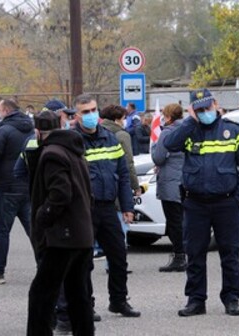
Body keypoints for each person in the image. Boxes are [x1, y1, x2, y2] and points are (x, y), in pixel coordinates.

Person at [163, 88, 239, 317]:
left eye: (207, 107)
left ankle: (232, 298)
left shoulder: (233, 130)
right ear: (192, 110)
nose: (205, 112)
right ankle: (195, 300)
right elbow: (169, 144)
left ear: (215, 104)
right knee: (194, 254)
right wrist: (189, 122)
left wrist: (238, 198)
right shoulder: (188, 131)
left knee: (230, 253)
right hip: (195, 204)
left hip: (226, 203)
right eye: (199, 109)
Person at [27, 111, 94, 336]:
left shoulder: (52, 154)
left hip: (62, 238)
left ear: (39, 132)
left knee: (41, 294)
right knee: (78, 294)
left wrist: (42, 216)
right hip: (81, 234)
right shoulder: (74, 152)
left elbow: (60, 193)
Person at [73, 94, 140, 318]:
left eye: (93, 110)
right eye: (85, 112)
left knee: (119, 257)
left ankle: (119, 301)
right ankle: (85, 305)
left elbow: (122, 174)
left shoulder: (110, 138)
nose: (90, 115)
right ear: (77, 115)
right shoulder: (72, 141)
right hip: (84, 210)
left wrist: (128, 207)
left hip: (109, 208)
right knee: (84, 263)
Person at [0, 99, 34, 284]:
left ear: (5, 110)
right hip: (28, 186)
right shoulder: (32, 130)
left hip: (6, 186)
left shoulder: (3, 131)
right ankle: (45, 265)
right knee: (34, 230)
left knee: (1, 230)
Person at [100, 104, 142, 248]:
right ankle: (117, 261)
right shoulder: (122, 135)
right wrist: (135, 185)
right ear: (117, 119)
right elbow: (128, 163)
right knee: (120, 223)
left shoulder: (98, 132)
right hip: (118, 183)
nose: (125, 121)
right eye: (124, 118)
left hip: (101, 184)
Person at [151, 103, 186, 272]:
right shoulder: (188, 130)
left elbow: (158, 158)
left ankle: (179, 256)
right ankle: (187, 254)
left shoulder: (168, 132)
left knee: (174, 221)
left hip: (170, 182)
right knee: (184, 220)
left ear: (169, 117)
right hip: (186, 181)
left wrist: (153, 148)